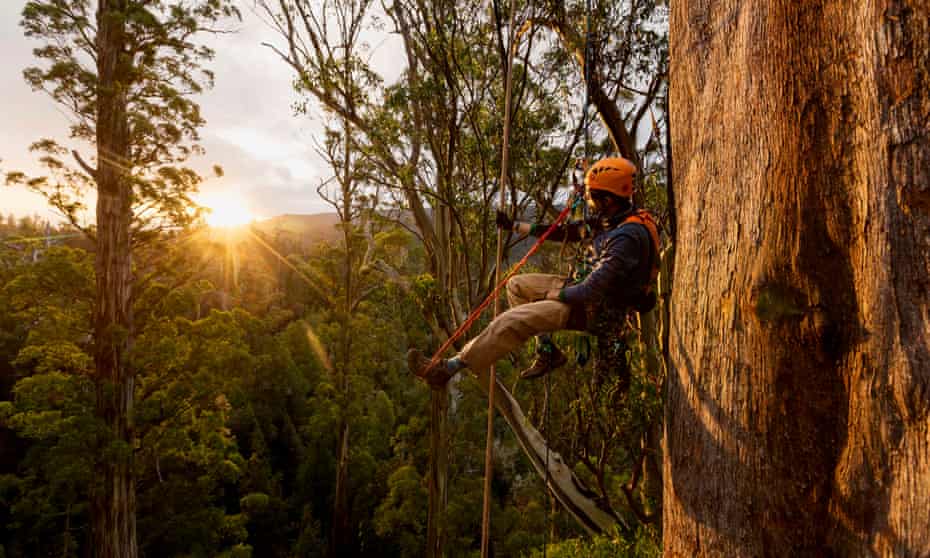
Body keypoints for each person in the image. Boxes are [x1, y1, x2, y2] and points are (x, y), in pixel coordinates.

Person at [408, 156, 659, 387]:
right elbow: (564, 232)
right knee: (516, 285)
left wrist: (555, 297)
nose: (590, 202)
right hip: (580, 291)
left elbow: (592, 290)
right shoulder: (613, 219)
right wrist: (514, 226)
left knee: (510, 320)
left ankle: (448, 369)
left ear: (609, 200)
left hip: (592, 308)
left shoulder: (626, 237)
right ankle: (547, 352)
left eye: (593, 197)